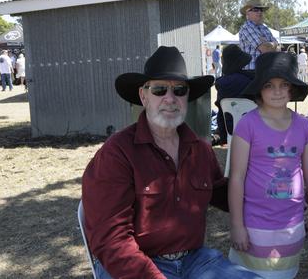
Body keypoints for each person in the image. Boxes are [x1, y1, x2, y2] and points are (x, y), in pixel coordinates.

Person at [82, 46, 261, 279]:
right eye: (159, 90)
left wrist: (282, 193)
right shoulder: (117, 154)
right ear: (143, 96)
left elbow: (224, 194)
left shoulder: (199, 150)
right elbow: (112, 240)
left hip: (195, 261)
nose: (170, 98)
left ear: (187, 98)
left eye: (179, 90)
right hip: (135, 265)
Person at [229, 51, 308, 278]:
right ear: (259, 89)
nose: (278, 91)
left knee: (284, 273)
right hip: (254, 226)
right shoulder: (247, 125)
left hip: (291, 225)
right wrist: (237, 225)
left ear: (292, 88)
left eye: (284, 84)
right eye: (270, 85)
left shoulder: (303, 127)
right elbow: (237, 177)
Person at [214, 44, 255, 145]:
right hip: (254, 128)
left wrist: (222, 135)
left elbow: (220, 113)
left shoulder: (221, 84)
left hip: (231, 129)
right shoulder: (251, 80)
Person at [238, 0, 278, 70]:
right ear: (247, 13)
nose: (259, 12)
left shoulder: (265, 27)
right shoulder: (246, 28)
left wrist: (270, 44)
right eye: (256, 9)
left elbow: (277, 48)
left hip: (267, 70)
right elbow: (265, 49)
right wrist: (274, 44)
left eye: (261, 10)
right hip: (253, 72)